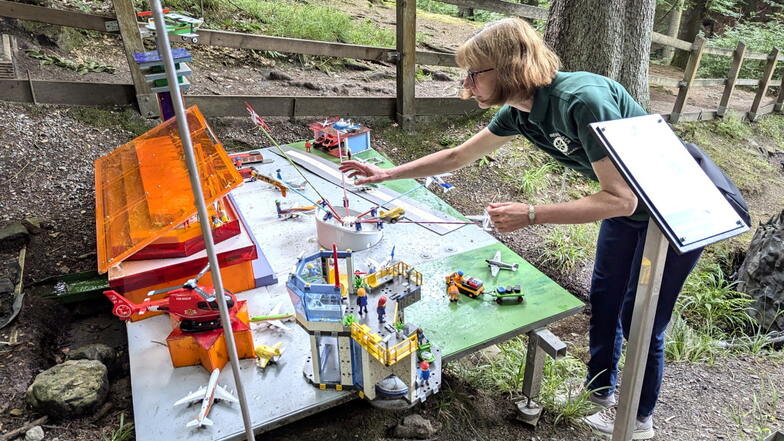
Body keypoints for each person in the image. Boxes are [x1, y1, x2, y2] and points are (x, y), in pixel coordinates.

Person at [338, 17, 704, 440]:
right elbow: (458, 156)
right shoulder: (520, 113)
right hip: (629, 210)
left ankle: (638, 418)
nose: (467, 83)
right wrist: (386, 174)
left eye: (475, 73)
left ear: (508, 66)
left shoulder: (581, 100)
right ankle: (600, 392)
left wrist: (531, 213)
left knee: (642, 318)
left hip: (679, 209)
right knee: (604, 302)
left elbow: (620, 198)